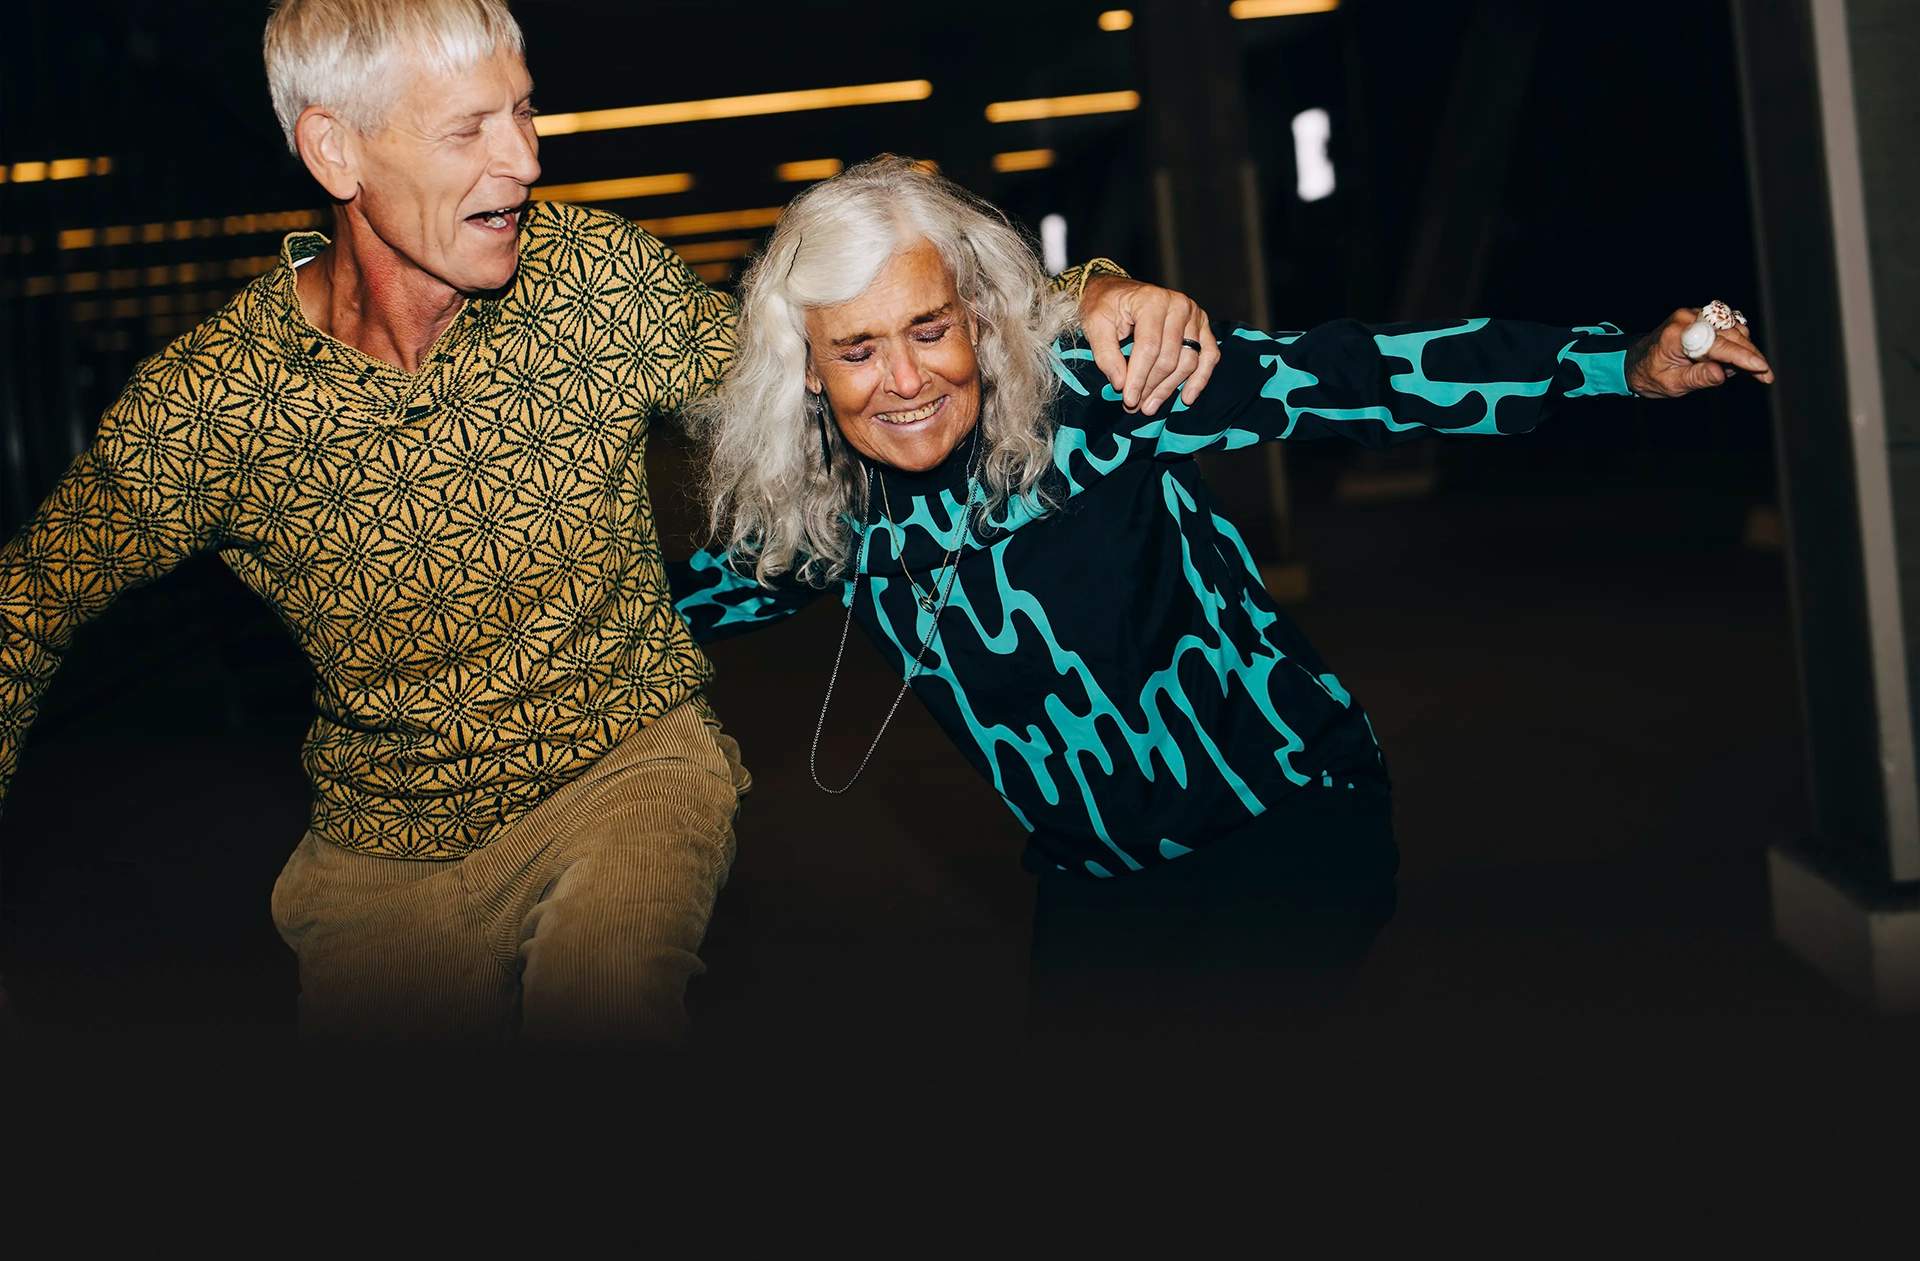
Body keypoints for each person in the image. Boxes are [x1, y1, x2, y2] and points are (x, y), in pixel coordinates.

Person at [0, 0, 1216, 1045]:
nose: (524, 160)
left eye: (522, 112)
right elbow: (32, 599)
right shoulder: (214, 405)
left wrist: (1085, 299)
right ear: (336, 151)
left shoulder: (590, 280)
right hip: (388, 843)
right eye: (470, 129)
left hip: (627, 758)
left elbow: (805, 357)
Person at [670, 155, 1775, 1045]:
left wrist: (1618, 365)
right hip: (1097, 887)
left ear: (974, 318)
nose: (905, 379)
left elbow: (1357, 374)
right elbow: (640, 619)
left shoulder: (1106, 399)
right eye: (857, 350)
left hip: (1284, 821)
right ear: (810, 372)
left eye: (927, 329)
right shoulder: (829, 520)